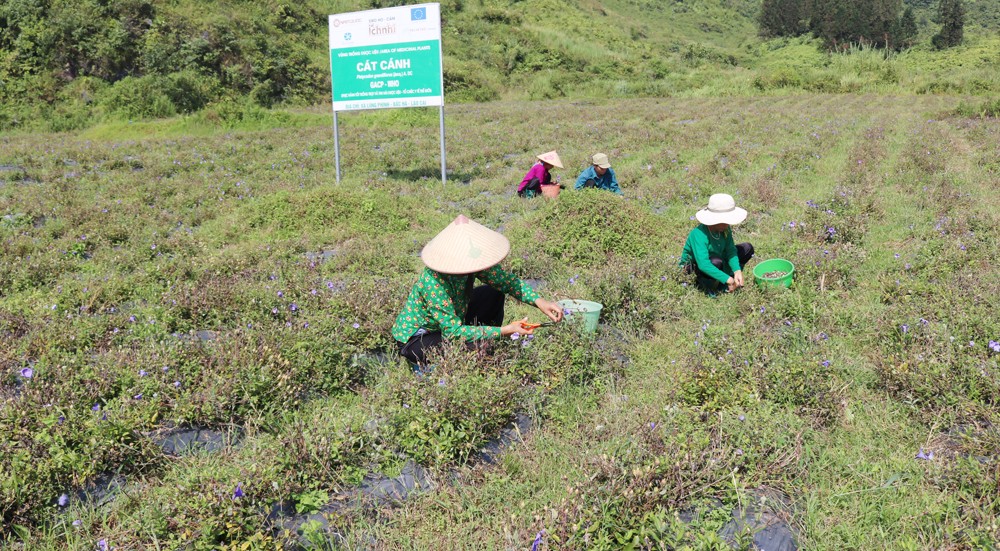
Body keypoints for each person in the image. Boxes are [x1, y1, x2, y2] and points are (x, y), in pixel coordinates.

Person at [392, 215, 564, 368]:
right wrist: (504, 331)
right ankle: (478, 349)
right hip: (419, 337)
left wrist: (540, 301)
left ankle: (485, 342)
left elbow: (507, 282)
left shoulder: (471, 262)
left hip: (453, 319)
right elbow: (452, 332)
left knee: (492, 292)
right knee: (473, 348)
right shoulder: (433, 282)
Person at [679, 193, 755, 295]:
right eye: (723, 221)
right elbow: (703, 264)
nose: (727, 224)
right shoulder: (698, 234)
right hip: (695, 268)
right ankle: (708, 286)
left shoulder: (725, 228)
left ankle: (729, 279)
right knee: (716, 262)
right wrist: (729, 280)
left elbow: (730, 250)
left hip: (717, 257)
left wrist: (737, 270)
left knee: (747, 249)